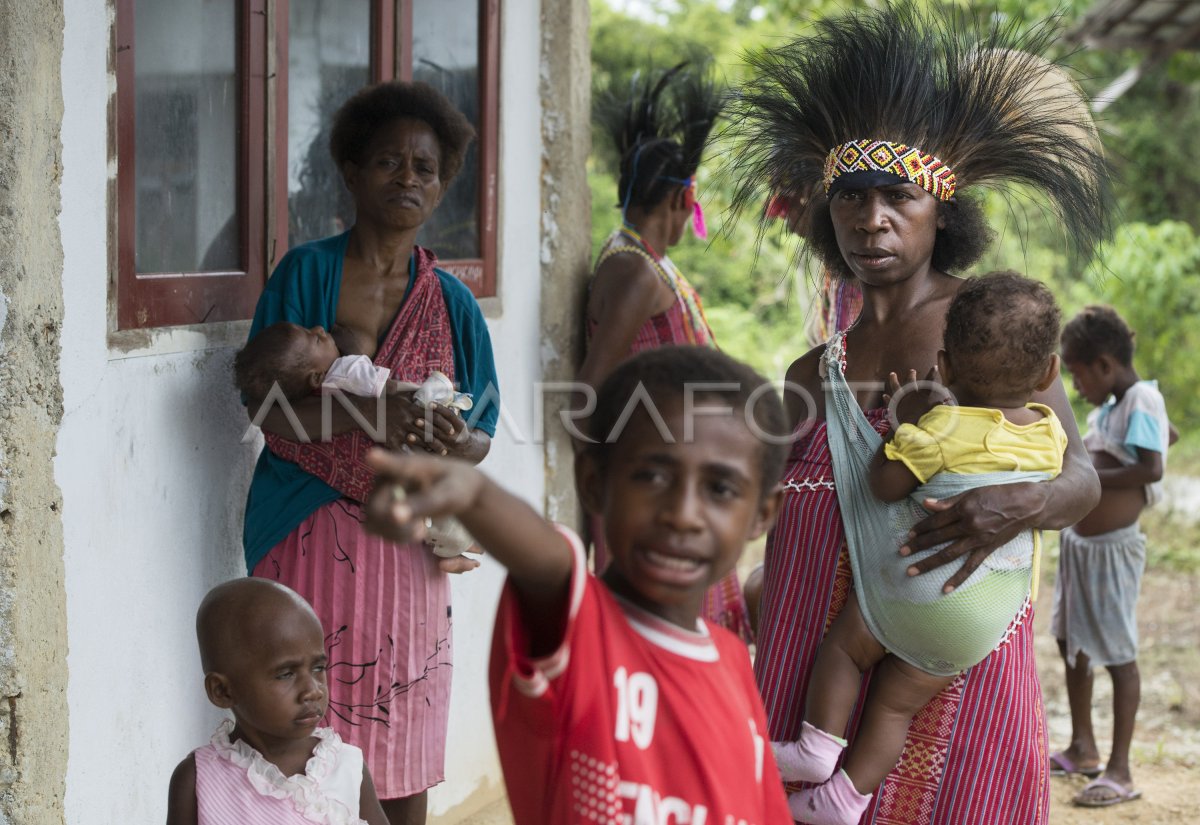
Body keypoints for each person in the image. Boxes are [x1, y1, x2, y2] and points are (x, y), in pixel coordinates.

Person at [726, 4, 1112, 822]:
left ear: (943, 208)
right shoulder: (810, 370)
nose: (872, 219)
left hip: (950, 662)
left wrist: (1021, 502)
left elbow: (1080, 477)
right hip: (816, 678)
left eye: (898, 196)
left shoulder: (986, 330)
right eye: (851, 199)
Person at [363, 346, 794, 824]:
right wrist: (471, 492)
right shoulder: (581, 629)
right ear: (593, 483)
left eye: (720, 489)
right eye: (651, 475)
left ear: (762, 515)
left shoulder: (733, 663)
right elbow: (548, 564)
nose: (683, 514)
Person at [239, 80, 499, 825]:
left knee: (404, 733)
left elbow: (481, 429)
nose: (407, 179)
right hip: (305, 530)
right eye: (388, 162)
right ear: (350, 171)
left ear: (443, 183)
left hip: (406, 544)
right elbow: (265, 404)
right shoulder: (306, 274)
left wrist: (451, 438)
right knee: (296, 735)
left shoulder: (450, 302)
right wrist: (368, 410)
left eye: (424, 167)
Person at [773, 272, 1068, 823]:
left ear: (945, 366)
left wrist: (906, 425)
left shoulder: (941, 427)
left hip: (914, 590)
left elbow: (883, 486)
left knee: (847, 650)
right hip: (981, 619)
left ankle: (816, 751)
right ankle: (845, 797)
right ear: (1050, 372)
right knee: (893, 707)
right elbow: (1073, 483)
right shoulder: (1050, 435)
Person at [581, 59, 755, 641]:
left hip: (670, 466)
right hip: (653, 477)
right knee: (658, 633)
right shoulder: (633, 270)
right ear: (683, 198)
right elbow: (589, 395)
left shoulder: (642, 261)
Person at [1051, 305, 1173, 808]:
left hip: (1112, 554)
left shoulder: (1142, 397)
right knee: (1070, 641)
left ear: (1104, 364)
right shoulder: (1110, 409)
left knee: (1117, 653)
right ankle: (1084, 747)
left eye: (1077, 373)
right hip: (1080, 549)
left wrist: (1090, 479)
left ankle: (1120, 770)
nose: (1076, 385)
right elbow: (1158, 440)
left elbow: (1151, 469)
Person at [166, 578, 388, 825]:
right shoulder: (199, 778)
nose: (312, 691)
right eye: (286, 674)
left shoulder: (345, 767)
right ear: (223, 691)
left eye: (318, 667)